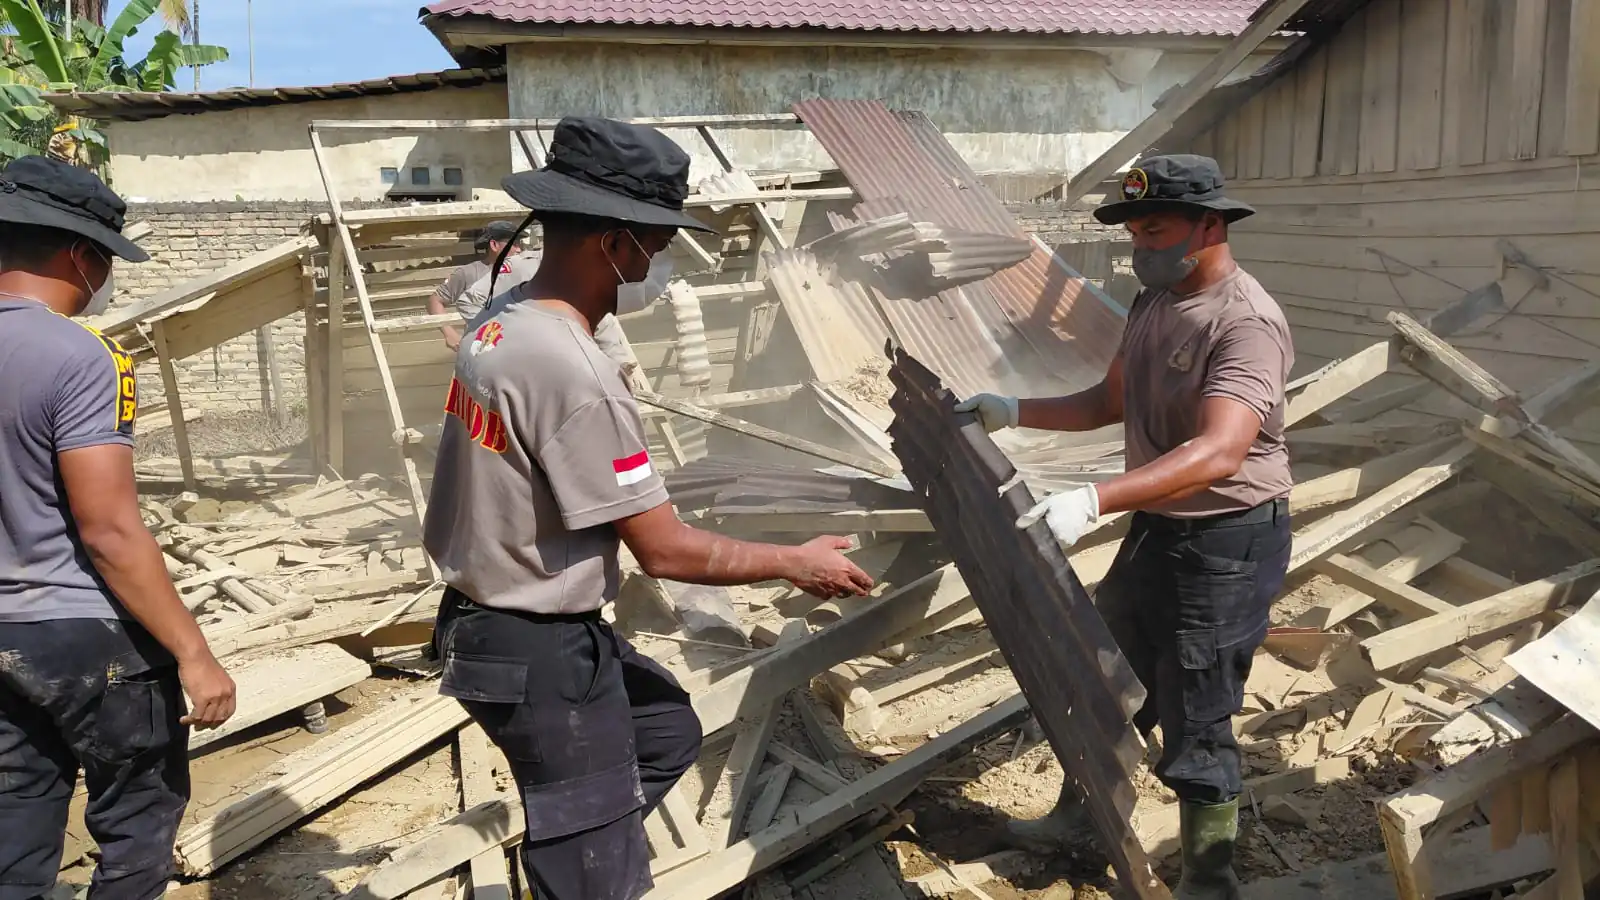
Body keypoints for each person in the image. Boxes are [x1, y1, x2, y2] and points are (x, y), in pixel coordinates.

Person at [423, 116, 875, 900]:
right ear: (615, 243)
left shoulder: (498, 322)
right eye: (657, 244)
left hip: (481, 620)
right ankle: (584, 863)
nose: (657, 262)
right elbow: (663, 550)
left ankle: (577, 844)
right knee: (601, 880)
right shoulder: (576, 370)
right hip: (539, 647)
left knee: (666, 730)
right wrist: (795, 561)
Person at [957, 155, 1293, 900]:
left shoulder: (1246, 321)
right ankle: (1081, 821)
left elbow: (1221, 450)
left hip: (1226, 542)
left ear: (1211, 225)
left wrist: (1095, 499)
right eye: (1135, 232)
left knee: (1196, 713)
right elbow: (1110, 399)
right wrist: (1013, 410)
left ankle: (1210, 880)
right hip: (1161, 530)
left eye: (1157, 229)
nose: (1142, 247)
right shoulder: (1155, 300)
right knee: (1108, 677)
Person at [0, 156, 238, 898]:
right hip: (85, 635)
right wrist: (193, 652)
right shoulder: (84, 356)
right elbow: (108, 529)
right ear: (82, 255)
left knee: (15, 830)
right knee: (137, 826)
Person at [427, 219, 523, 350]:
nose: (519, 249)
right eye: (514, 244)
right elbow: (435, 301)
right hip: (480, 351)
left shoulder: (524, 272)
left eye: (520, 244)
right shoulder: (469, 273)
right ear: (494, 245)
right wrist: (449, 333)